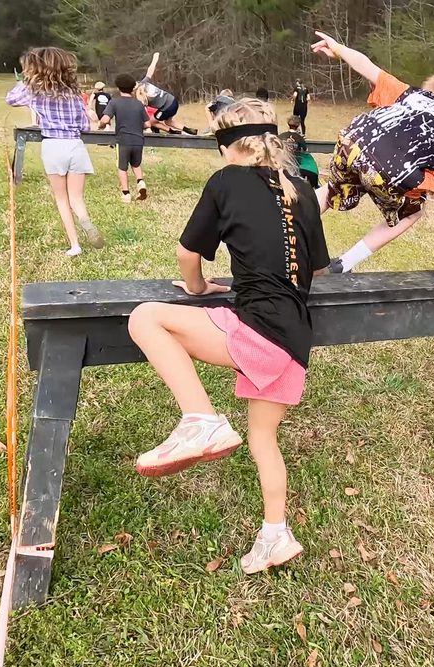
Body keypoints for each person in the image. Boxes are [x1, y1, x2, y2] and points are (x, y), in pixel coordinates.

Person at [129, 98, 330, 574]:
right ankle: (275, 536)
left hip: (258, 328)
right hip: (295, 339)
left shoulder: (225, 181)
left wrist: (199, 289)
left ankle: (200, 418)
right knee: (263, 439)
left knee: (145, 318)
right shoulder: (299, 186)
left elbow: (187, 254)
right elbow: (316, 266)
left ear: (224, 145)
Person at [309, 31, 434, 282]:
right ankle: (344, 263)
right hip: (391, 171)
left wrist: (339, 49)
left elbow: (368, 67)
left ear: (428, 91)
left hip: (353, 142)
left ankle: (284, 216)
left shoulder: (411, 94)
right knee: (411, 212)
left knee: (334, 188)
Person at [6, 47, 104, 257]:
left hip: (53, 146)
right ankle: (85, 220)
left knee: (61, 198)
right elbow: (85, 126)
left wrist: (26, 79)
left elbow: (11, 99)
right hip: (75, 146)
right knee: (76, 198)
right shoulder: (73, 94)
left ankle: (75, 245)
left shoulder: (34, 90)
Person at [99, 73, 152, 203]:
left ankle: (126, 194)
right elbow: (147, 124)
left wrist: (101, 125)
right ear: (132, 88)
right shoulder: (138, 104)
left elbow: (105, 119)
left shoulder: (115, 102)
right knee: (136, 164)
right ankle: (140, 182)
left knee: (122, 167)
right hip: (138, 140)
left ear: (118, 88)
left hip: (123, 140)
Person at [139, 53, 198, 135]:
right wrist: (155, 59)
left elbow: (145, 115)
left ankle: (173, 132)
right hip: (173, 101)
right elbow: (150, 71)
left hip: (167, 107)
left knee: (152, 122)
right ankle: (189, 131)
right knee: (168, 122)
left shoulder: (139, 97)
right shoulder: (143, 83)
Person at [280, 114, 319, 188]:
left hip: (282, 162)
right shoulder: (300, 138)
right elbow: (305, 151)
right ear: (298, 125)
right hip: (294, 165)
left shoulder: (281, 136)